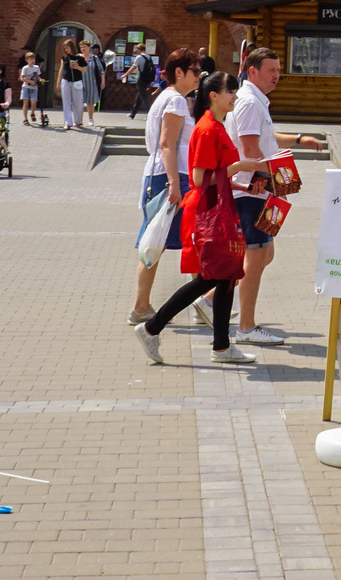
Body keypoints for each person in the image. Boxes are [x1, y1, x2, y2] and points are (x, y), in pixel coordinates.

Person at [138, 68, 261, 366]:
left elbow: (219, 177)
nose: (234, 96)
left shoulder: (217, 127)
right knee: (212, 276)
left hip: (218, 206)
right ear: (214, 96)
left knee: (226, 276)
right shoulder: (207, 129)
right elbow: (199, 176)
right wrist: (242, 165)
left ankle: (221, 347)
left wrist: (247, 184)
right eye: (230, 91)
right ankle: (152, 327)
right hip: (208, 210)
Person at [227, 49, 328, 347]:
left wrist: (298, 140)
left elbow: (265, 139)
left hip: (259, 188)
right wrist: (269, 179)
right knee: (256, 257)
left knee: (264, 254)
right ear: (251, 70)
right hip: (251, 190)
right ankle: (245, 327)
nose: (276, 75)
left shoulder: (257, 101)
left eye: (278, 69)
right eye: (270, 69)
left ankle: (208, 302)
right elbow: (249, 149)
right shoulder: (249, 102)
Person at [129, 48, 203, 325]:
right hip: (170, 176)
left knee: (155, 243)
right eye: (195, 72)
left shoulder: (169, 98)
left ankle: (142, 305)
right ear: (179, 73)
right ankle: (204, 302)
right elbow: (166, 145)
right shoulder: (175, 101)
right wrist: (175, 183)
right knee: (191, 240)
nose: (198, 77)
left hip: (159, 175)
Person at [58, 39, 86, 132]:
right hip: (66, 80)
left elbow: (85, 69)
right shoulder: (64, 58)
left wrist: (77, 67)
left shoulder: (80, 58)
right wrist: (58, 82)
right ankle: (67, 122)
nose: (66, 50)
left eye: (67, 48)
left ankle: (78, 121)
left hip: (77, 81)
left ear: (71, 47)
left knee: (78, 102)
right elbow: (61, 70)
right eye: (64, 48)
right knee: (66, 102)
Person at [18, 52, 42, 127]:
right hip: (26, 87)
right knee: (25, 102)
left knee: (33, 101)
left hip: (34, 87)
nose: (33, 60)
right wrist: (29, 81)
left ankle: (32, 113)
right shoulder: (25, 68)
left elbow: (38, 77)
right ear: (27, 60)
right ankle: (25, 119)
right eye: (31, 59)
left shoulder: (36, 67)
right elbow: (22, 78)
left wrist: (41, 80)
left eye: (33, 59)